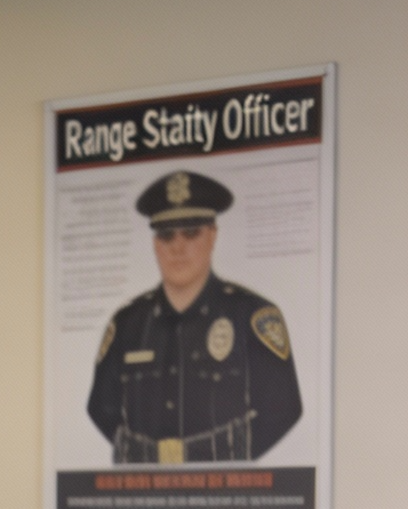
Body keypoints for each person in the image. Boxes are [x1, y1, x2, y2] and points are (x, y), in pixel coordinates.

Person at [85, 169, 301, 465]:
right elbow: (101, 408)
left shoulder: (250, 315)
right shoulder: (127, 323)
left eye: (190, 232)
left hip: (225, 497)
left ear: (212, 235)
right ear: (154, 243)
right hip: (145, 498)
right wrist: (148, 457)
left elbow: (284, 409)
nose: (177, 246)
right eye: (165, 234)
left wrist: (215, 459)